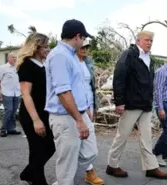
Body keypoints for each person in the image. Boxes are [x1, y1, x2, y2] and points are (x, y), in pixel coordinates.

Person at [106, 31, 167, 179]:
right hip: (131, 104)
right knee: (122, 136)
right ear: (138, 41)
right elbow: (119, 78)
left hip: (146, 105)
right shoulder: (129, 55)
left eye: (151, 41)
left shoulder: (149, 59)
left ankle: (151, 167)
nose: (149, 43)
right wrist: (119, 102)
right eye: (147, 40)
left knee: (147, 137)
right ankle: (112, 165)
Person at [45, 19, 98, 185]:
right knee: (66, 165)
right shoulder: (59, 55)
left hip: (80, 113)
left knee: (90, 152)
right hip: (66, 117)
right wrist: (79, 120)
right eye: (83, 38)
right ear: (77, 36)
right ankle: (64, 181)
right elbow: (63, 91)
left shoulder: (71, 55)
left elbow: (78, 86)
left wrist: (86, 110)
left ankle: (62, 181)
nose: (83, 42)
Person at [16, 33, 56, 185]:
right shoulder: (27, 64)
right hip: (32, 114)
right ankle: (38, 180)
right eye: (45, 46)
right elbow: (26, 95)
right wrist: (36, 120)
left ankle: (28, 173)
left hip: (46, 112)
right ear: (36, 47)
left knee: (50, 147)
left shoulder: (46, 64)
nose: (48, 49)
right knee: (37, 150)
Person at [77, 40, 104, 185]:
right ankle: (88, 171)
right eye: (82, 46)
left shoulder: (87, 62)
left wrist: (94, 106)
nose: (84, 49)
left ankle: (86, 171)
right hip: (77, 106)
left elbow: (91, 86)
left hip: (89, 103)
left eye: (86, 46)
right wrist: (84, 107)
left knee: (86, 139)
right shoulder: (71, 62)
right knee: (80, 139)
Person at [0, 52, 21, 137]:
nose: (15, 59)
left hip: (16, 93)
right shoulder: (3, 68)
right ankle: (3, 129)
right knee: (8, 110)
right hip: (6, 93)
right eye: (13, 57)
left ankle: (11, 129)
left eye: (15, 57)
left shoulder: (17, 68)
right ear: (8, 58)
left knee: (13, 112)